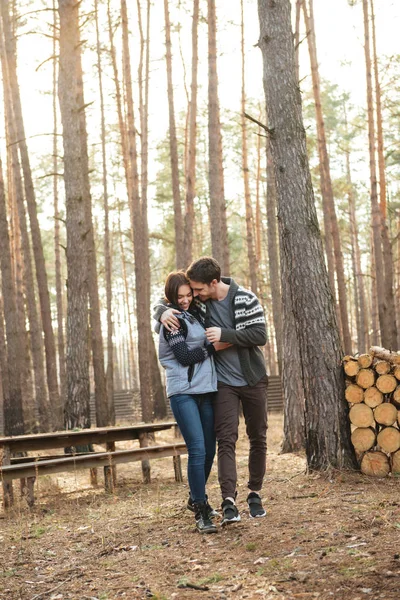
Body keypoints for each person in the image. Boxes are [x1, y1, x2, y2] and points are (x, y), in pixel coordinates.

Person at [154, 257, 268, 525]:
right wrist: (161, 311)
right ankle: (226, 500)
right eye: (189, 292)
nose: (192, 296)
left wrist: (226, 335)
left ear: (213, 283)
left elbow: (259, 335)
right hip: (218, 384)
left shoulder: (244, 298)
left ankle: (254, 493)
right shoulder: (196, 307)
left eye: (196, 290)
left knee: (257, 438)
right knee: (222, 441)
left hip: (251, 378)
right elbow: (172, 305)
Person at [158, 271, 230, 534]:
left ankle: (194, 497)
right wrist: (214, 348)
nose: (186, 300)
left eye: (189, 295)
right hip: (183, 392)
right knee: (197, 449)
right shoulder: (172, 320)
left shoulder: (195, 313)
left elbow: (219, 285)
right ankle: (200, 509)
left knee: (209, 449)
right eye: (180, 297)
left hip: (205, 391)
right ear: (171, 297)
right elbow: (184, 356)